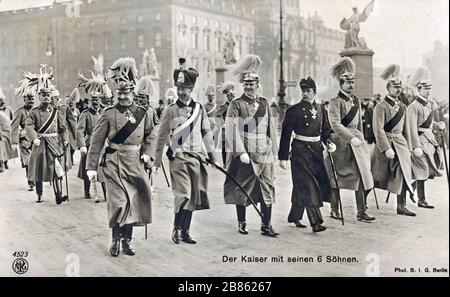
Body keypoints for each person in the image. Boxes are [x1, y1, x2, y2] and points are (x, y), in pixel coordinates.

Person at [86, 57, 157, 257]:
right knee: (119, 203)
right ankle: (116, 239)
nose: (123, 96)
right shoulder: (108, 114)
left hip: (136, 163)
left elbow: (152, 135)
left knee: (134, 203)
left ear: (133, 92)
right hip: (114, 164)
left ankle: (127, 241)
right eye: (120, 92)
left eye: (127, 92)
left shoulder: (144, 113)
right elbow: (96, 141)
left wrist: (147, 155)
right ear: (116, 93)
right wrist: (91, 166)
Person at [153, 64, 218, 245]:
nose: (182, 92)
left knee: (194, 195)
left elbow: (206, 133)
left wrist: (213, 156)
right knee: (184, 194)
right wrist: (157, 161)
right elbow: (161, 136)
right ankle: (176, 228)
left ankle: (186, 231)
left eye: (185, 89)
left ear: (191, 89)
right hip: (178, 159)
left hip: (196, 158)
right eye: (179, 89)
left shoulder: (200, 109)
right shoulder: (170, 110)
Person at [224, 54, 279, 237]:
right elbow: (231, 130)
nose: (248, 87)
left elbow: (271, 127)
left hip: (264, 151)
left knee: (268, 186)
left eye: (252, 84)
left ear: (257, 84)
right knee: (242, 186)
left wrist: (276, 152)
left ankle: (266, 225)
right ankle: (242, 222)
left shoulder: (264, 103)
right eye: (246, 84)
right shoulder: (236, 104)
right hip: (246, 151)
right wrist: (240, 152)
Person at [279, 77, 335, 232]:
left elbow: (325, 131)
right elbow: (285, 134)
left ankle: (295, 216)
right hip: (299, 152)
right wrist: (282, 157)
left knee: (302, 185)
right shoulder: (293, 110)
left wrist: (329, 143)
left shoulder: (321, 109)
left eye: (308, 91)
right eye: (303, 91)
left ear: (314, 92)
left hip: (316, 151)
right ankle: (316, 222)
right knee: (309, 184)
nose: (305, 94)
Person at [327, 57, 375, 222]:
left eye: (352, 82)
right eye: (347, 83)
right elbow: (335, 124)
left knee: (363, 176)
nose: (351, 85)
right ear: (341, 84)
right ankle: (334, 209)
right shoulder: (335, 102)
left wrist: (361, 139)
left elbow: (359, 125)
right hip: (341, 144)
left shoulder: (356, 101)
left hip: (357, 143)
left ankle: (361, 211)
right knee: (337, 178)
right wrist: (350, 137)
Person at [372, 65, 416, 216]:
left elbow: (406, 130)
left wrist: (409, 147)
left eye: (399, 87)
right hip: (385, 145)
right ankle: (362, 202)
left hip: (400, 143)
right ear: (388, 88)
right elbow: (378, 129)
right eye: (394, 87)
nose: (398, 89)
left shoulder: (403, 106)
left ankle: (401, 205)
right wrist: (386, 147)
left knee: (402, 172)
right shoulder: (380, 106)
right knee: (376, 176)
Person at [24, 65, 68, 204]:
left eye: (48, 95)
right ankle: (39, 193)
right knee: (39, 171)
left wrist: (65, 140)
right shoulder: (34, 112)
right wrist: (34, 138)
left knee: (57, 170)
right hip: (41, 145)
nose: (46, 97)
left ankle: (59, 194)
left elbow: (63, 128)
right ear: (39, 97)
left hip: (54, 144)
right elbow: (29, 126)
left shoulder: (56, 111)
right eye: (43, 95)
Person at [405, 67, 446, 209]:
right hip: (420, 141)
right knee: (423, 169)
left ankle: (411, 188)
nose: (428, 91)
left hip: (430, 140)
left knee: (430, 168)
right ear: (419, 89)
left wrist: (437, 125)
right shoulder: (413, 107)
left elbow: (427, 123)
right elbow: (411, 127)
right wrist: (415, 146)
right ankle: (421, 200)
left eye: (429, 88)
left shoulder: (428, 105)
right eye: (425, 89)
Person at [76, 76, 107, 201]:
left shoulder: (105, 112)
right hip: (90, 143)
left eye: (97, 99)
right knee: (88, 167)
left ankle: (106, 193)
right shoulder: (85, 114)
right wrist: (82, 145)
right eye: (93, 99)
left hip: (103, 144)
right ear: (90, 100)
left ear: (100, 99)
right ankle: (86, 190)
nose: (95, 102)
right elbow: (79, 130)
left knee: (104, 168)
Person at [11, 79, 36, 190]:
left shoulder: (37, 111)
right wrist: (14, 142)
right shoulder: (20, 111)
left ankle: (37, 179)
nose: (31, 100)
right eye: (28, 98)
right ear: (24, 99)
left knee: (37, 160)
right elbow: (14, 127)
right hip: (25, 140)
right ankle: (30, 181)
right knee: (28, 161)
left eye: (32, 98)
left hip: (36, 139)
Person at [216, 81, 235, 165]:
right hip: (225, 127)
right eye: (228, 96)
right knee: (225, 144)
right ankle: (225, 163)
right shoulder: (224, 106)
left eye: (231, 96)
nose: (230, 97)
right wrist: (222, 123)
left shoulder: (235, 105)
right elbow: (217, 116)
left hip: (235, 127)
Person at [0, 87, 17, 172]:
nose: (2, 102)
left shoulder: (9, 109)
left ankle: (6, 161)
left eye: (3, 100)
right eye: (0, 100)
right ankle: (1, 163)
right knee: (1, 148)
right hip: (0, 132)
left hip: (7, 131)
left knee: (6, 148)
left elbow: (13, 120)